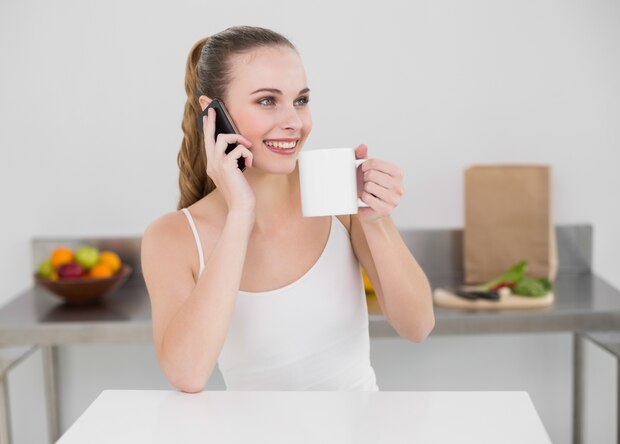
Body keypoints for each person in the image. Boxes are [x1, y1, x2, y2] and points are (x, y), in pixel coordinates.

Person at [141, 25, 434, 393]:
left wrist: (376, 221)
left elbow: (418, 326)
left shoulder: (338, 197)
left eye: (301, 100)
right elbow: (187, 374)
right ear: (212, 112)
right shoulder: (174, 237)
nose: (294, 122)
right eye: (267, 101)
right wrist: (240, 214)